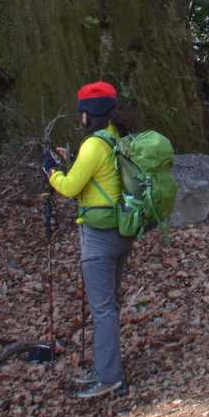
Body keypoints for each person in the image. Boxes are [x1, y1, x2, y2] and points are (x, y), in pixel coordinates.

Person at [44, 80, 134, 400]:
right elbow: (97, 179)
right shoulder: (115, 138)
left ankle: (110, 378)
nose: (79, 116)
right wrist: (70, 164)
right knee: (110, 305)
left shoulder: (94, 145)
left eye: (81, 111)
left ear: (88, 113)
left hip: (99, 237)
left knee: (103, 309)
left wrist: (51, 171)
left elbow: (70, 188)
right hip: (121, 232)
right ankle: (107, 368)